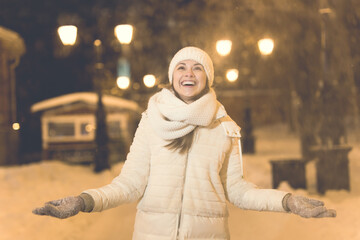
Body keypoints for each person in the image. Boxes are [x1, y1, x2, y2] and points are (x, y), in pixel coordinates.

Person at [33, 46, 336, 239]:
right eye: (181, 67)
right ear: (172, 76)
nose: (188, 73)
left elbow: (239, 191)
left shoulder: (225, 127)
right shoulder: (151, 120)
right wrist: (83, 201)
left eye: (197, 67)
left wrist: (288, 201)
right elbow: (129, 183)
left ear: (208, 78)